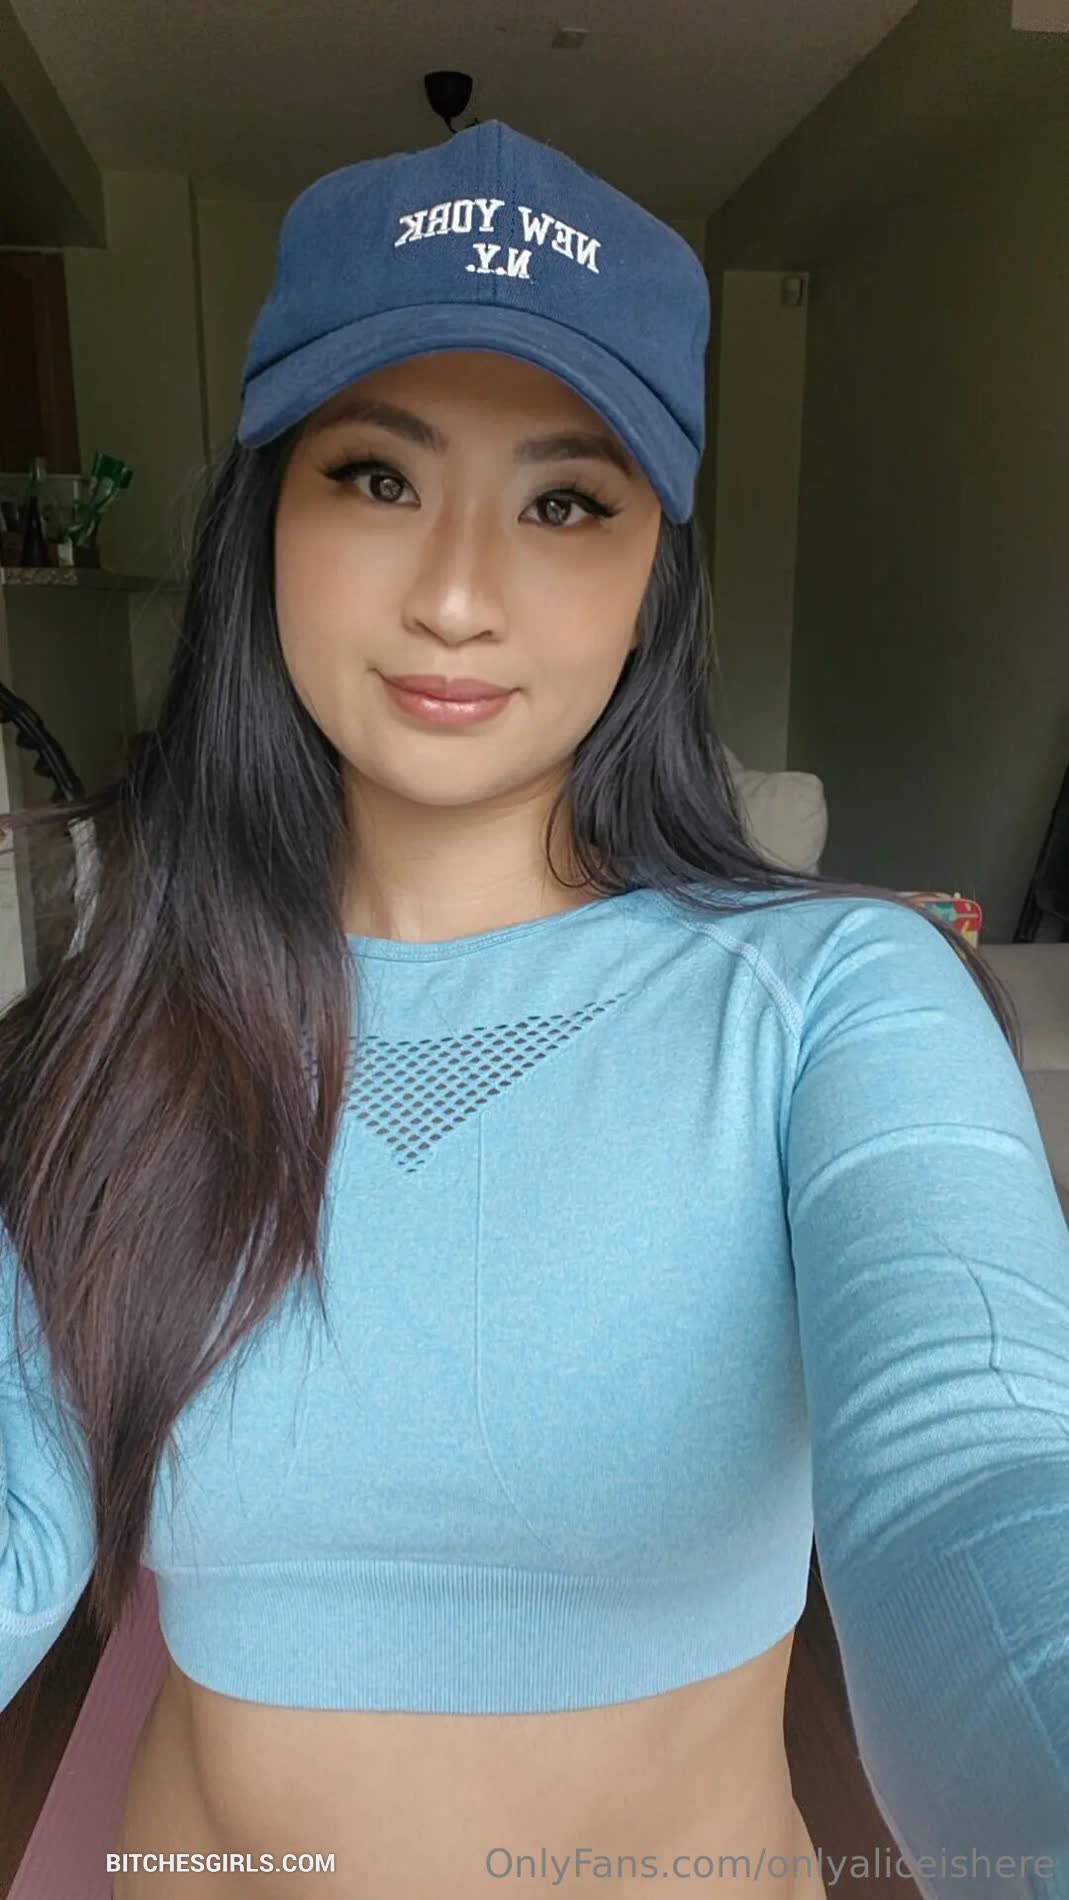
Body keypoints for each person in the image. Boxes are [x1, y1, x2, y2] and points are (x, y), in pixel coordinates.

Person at [1, 118, 1067, 1900]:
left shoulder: (827, 1001)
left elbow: (982, 1475)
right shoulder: (117, 1029)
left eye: (566, 502)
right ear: (267, 520)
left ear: (656, 575)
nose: (454, 595)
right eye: (375, 477)